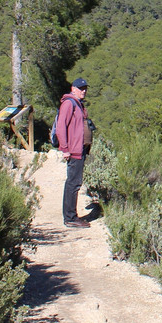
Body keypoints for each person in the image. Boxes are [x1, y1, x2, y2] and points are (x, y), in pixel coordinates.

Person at [56, 77, 91, 228]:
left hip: (79, 149)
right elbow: (60, 127)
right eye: (80, 88)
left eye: (85, 89)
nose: (83, 91)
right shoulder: (69, 104)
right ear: (73, 88)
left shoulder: (77, 104)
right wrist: (65, 149)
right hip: (74, 150)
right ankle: (70, 218)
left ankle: (71, 216)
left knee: (74, 182)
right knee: (73, 183)